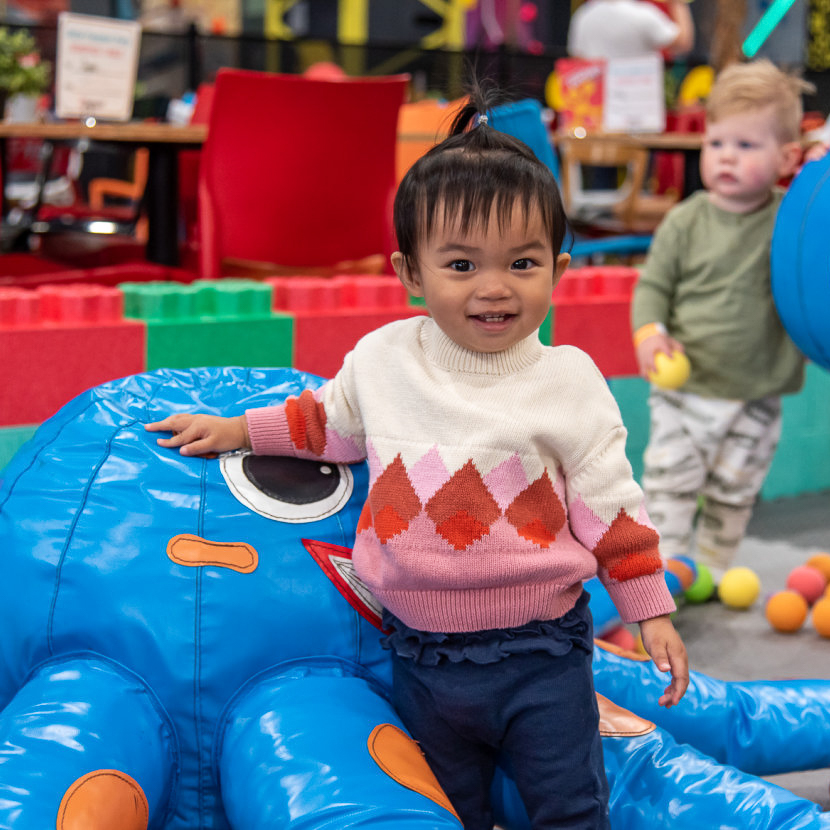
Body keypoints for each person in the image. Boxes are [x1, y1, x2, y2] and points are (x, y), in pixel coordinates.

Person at [147, 85, 688, 830]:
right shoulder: (384, 358)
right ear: (411, 274)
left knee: (568, 807)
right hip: (420, 656)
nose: (495, 288)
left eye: (522, 264)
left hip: (541, 656)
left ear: (558, 270)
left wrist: (649, 609)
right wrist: (239, 430)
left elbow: (612, 506)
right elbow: (326, 424)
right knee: (442, 808)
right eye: (461, 265)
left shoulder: (568, 381)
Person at [631, 59, 812, 583]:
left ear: (786, 157)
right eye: (716, 144)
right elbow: (653, 287)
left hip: (758, 392)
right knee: (670, 483)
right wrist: (649, 333)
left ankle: (709, 570)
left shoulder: (790, 218)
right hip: (686, 388)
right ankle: (664, 576)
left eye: (746, 146)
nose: (726, 157)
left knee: (736, 490)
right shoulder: (686, 220)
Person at [567, 0, 694, 61]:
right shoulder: (643, 14)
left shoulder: (583, 16)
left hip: (595, 107)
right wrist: (678, 3)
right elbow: (683, 42)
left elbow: (577, 59)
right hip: (638, 106)